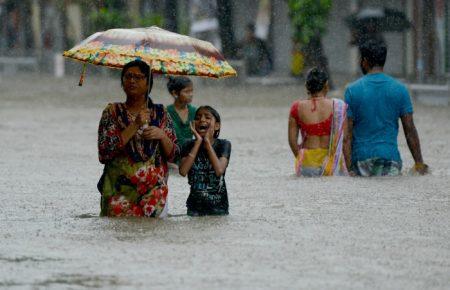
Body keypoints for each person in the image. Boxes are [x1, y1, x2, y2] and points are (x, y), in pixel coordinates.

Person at [97, 60, 179, 217]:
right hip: (118, 192)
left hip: (154, 194)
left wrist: (162, 136)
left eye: (138, 77)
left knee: (153, 238)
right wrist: (135, 125)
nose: (132, 80)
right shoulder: (112, 112)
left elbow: (174, 155)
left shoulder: (161, 113)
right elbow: (104, 152)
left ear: (148, 84)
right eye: (128, 76)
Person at [343, 39, 428, 176]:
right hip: (390, 160)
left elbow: (347, 136)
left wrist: (349, 170)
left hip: (361, 161)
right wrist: (419, 164)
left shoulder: (352, 91)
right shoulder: (400, 90)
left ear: (364, 61)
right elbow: (410, 130)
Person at [288, 68, 348, 177]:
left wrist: (301, 158)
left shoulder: (297, 107)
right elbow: (345, 139)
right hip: (330, 163)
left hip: (307, 163)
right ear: (326, 85)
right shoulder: (338, 107)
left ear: (306, 85)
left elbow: (292, 141)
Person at [179, 106, 231, 216]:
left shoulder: (223, 145)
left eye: (207, 117)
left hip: (219, 208)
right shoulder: (188, 144)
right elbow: (183, 171)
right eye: (197, 118)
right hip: (194, 208)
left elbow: (219, 170)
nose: (202, 120)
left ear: (217, 126)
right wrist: (198, 142)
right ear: (193, 124)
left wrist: (207, 142)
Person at [166, 76, 197, 163]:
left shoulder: (194, 112)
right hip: (172, 158)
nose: (191, 94)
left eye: (192, 91)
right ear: (175, 94)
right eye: (187, 91)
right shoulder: (166, 112)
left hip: (189, 156)